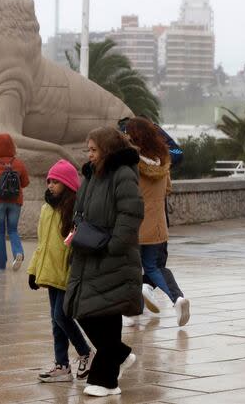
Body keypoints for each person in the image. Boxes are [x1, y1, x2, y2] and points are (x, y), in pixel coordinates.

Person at [64, 127, 145, 398]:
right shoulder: (90, 174)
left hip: (111, 256)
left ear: (107, 150)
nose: (89, 154)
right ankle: (120, 355)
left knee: (106, 312)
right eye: (88, 149)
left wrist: (114, 246)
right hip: (88, 251)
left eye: (93, 149)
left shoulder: (123, 175)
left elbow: (131, 213)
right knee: (78, 309)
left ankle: (107, 380)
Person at [27, 160, 94, 383]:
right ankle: (62, 365)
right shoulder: (47, 209)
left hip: (67, 273)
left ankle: (85, 352)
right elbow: (42, 244)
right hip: (50, 273)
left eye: (55, 181)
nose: (51, 185)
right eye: (49, 181)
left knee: (61, 316)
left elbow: (74, 243)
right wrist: (34, 270)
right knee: (56, 322)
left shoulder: (74, 210)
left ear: (67, 184)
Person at [123, 117, 190, 327]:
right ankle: (177, 299)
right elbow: (167, 188)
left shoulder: (131, 161)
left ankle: (133, 312)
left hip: (134, 222)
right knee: (152, 266)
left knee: (131, 267)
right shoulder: (163, 160)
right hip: (157, 222)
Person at [0, 133, 30, 271]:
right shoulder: (18, 163)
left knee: (0, 232)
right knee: (12, 230)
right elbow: (25, 183)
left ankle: (0, 264)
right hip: (15, 201)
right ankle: (18, 252)